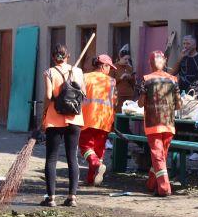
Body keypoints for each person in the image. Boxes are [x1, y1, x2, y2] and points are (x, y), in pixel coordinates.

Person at [40, 44, 84, 207]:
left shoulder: (49, 72)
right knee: (72, 157)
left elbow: (48, 95)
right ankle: (72, 197)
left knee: (52, 158)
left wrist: (43, 115)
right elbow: (83, 95)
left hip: (54, 118)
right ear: (68, 56)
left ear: (53, 57)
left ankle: (51, 198)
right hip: (74, 118)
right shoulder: (78, 72)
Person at [139, 51, 180, 197]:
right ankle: (151, 184)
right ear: (165, 61)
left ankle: (164, 188)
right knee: (161, 156)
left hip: (153, 123)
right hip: (169, 124)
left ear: (150, 63)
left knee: (157, 157)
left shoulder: (147, 79)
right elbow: (179, 105)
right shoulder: (173, 80)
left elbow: (140, 103)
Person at [80, 54, 116, 187]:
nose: (109, 71)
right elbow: (114, 101)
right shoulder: (112, 81)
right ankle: (91, 179)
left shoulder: (84, 77)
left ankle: (97, 165)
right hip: (105, 120)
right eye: (109, 67)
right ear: (103, 66)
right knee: (98, 150)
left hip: (88, 118)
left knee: (86, 147)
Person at [112, 45, 136, 111]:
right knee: (118, 114)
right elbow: (111, 82)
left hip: (129, 95)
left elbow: (134, 83)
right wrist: (120, 78)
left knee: (127, 114)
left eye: (128, 59)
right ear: (120, 57)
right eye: (125, 59)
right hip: (119, 96)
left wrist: (130, 77)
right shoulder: (114, 67)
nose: (127, 61)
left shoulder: (129, 67)